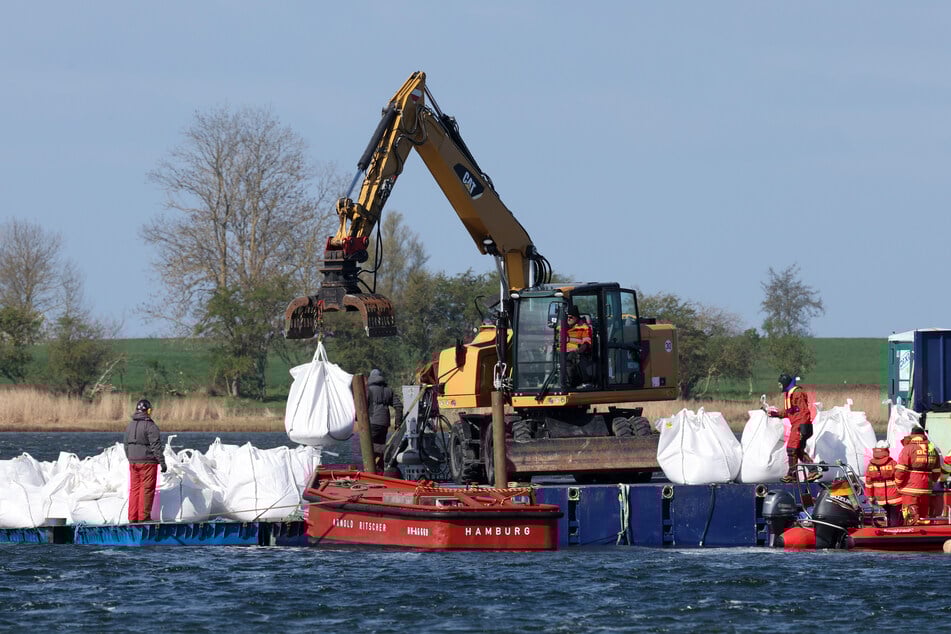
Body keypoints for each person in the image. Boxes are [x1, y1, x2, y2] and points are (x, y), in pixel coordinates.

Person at [768, 373, 820, 483]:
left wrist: (802, 427)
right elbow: (789, 412)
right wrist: (775, 414)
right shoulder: (789, 394)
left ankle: (793, 474)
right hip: (799, 425)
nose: (779, 386)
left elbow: (804, 411)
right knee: (797, 450)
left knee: (792, 449)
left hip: (800, 426)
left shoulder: (797, 393)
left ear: (785, 383)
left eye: (780, 384)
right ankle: (811, 471)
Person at [123, 398, 167, 523]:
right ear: (148, 411)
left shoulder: (129, 426)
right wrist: (162, 462)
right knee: (147, 489)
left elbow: (125, 445)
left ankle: (132, 518)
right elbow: (156, 446)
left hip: (133, 462)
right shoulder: (151, 426)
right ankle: (144, 518)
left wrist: (130, 458)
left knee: (134, 489)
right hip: (148, 462)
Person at [894, 426, 941, 525]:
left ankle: (911, 535)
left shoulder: (908, 449)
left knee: (910, 515)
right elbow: (937, 472)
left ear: (912, 435)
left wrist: (898, 483)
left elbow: (901, 470)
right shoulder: (932, 449)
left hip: (910, 488)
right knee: (924, 517)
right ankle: (924, 535)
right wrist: (930, 483)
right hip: (926, 489)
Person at [367, 368, 403, 470]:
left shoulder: (367, 390)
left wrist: (357, 419)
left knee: (369, 447)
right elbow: (399, 406)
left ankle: (385, 450)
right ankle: (379, 469)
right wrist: (397, 423)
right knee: (377, 447)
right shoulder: (388, 390)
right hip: (384, 423)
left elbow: (361, 407)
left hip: (372, 423)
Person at [864, 440, 902, 526]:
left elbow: (868, 483)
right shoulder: (892, 463)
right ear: (886, 451)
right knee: (894, 516)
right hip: (895, 496)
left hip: (880, 497)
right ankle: (895, 534)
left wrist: (870, 497)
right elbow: (899, 477)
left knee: (888, 515)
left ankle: (888, 532)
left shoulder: (871, 465)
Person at [564, 305, 594, 389]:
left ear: (576, 317)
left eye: (570, 317)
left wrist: (577, 351)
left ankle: (572, 383)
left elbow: (586, 343)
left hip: (577, 353)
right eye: (566, 317)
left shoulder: (583, 328)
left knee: (570, 359)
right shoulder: (561, 327)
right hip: (561, 352)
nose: (568, 319)